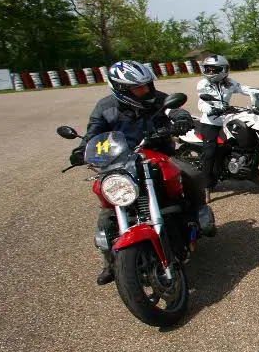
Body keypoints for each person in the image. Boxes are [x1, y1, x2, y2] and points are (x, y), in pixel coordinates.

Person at [69, 60, 209, 286]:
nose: (146, 90)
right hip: (120, 161)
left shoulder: (159, 100)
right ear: (121, 89)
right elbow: (93, 132)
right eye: (139, 88)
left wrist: (181, 119)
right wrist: (80, 149)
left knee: (191, 174)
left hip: (158, 154)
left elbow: (176, 110)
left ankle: (201, 214)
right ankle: (111, 262)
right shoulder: (105, 107)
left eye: (147, 85)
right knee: (106, 209)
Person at [195, 54, 259, 194]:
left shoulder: (229, 83)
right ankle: (207, 185)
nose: (210, 72)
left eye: (213, 69)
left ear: (223, 70)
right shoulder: (203, 84)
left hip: (228, 118)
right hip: (211, 122)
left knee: (252, 141)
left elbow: (245, 89)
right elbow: (202, 102)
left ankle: (253, 174)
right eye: (208, 69)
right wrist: (211, 109)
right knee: (210, 151)